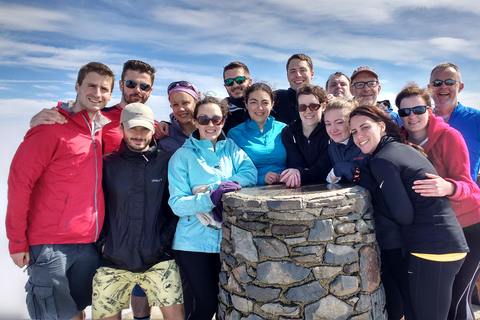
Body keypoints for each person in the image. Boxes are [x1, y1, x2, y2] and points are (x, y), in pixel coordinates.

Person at [29, 59, 157, 320]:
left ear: (150, 91)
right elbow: (69, 126)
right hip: (93, 220)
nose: (137, 90)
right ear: (121, 85)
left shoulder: (151, 124)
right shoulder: (98, 118)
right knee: (91, 294)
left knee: (135, 285)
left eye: (144, 86)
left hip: (130, 219)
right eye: (131, 83)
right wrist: (40, 119)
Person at [6, 62, 114, 320]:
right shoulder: (50, 127)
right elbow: (20, 183)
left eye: (104, 89)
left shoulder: (98, 129)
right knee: (53, 315)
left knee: (77, 310)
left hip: (88, 242)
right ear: (77, 87)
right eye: (91, 85)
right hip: (50, 243)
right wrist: (17, 240)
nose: (97, 93)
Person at [349, 104, 469, 320]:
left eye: (364, 127)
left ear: (382, 127)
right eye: (354, 131)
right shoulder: (402, 148)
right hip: (442, 243)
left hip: (433, 248)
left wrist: (372, 188)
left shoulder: (383, 159)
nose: (359, 136)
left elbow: (404, 215)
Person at [92, 103, 184, 320]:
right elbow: (94, 207)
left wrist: (163, 241)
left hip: (158, 258)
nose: (139, 135)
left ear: (152, 131)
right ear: (122, 129)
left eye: (144, 129)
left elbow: (176, 207)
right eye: (133, 128)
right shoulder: (107, 164)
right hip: (112, 260)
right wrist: (103, 242)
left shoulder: (167, 162)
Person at [396, 83, 480, 320]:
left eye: (418, 110)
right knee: (437, 300)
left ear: (430, 110)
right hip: (434, 230)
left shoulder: (450, 136)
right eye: (405, 112)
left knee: (457, 298)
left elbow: (468, 184)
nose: (412, 116)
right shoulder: (399, 142)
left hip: (469, 224)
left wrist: (448, 186)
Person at [168, 96, 257, 320]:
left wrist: (215, 189)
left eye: (216, 119)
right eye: (204, 119)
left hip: (226, 240)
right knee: (206, 305)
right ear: (196, 122)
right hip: (192, 243)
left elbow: (250, 173)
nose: (210, 125)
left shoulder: (232, 149)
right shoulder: (182, 156)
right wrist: (212, 197)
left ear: (224, 120)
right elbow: (177, 204)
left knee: (226, 303)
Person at [428, 62, 480, 185]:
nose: (443, 86)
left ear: (460, 87)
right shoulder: (419, 121)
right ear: (429, 88)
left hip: (466, 199)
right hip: (429, 199)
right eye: (437, 83)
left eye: (450, 82)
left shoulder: (476, 119)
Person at [228, 83, 287, 185]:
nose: (260, 108)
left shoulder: (284, 129)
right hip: (251, 192)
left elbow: (296, 162)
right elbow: (231, 171)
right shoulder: (234, 134)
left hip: (287, 188)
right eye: (253, 102)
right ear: (246, 104)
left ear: (272, 104)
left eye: (265, 103)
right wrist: (261, 178)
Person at [279, 84, 330, 187]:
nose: (308, 111)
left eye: (313, 106)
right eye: (302, 107)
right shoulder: (289, 132)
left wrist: (301, 173)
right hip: (300, 188)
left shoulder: (331, 129)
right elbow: (296, 165)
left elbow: (323, 168)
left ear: (323, 106)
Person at [158, 81, 200, 154]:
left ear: (196, 103)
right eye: (175, 105)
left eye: (185, 103)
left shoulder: (210, 131)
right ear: (171, 107)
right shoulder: (165, 139)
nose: (181, 109)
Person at [273, 53, 315, 124]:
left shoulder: (322, 100)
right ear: (287, 76)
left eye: (302, 70)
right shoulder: (276, 98)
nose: (298, 75)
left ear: (312, 74)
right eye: (293, 71)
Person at [222, 61, 253, 134]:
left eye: (240, 80)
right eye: (229, 82)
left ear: (250, 82)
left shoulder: (265, 107)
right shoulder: (222, 115)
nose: (235, 85)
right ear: (225, 86)